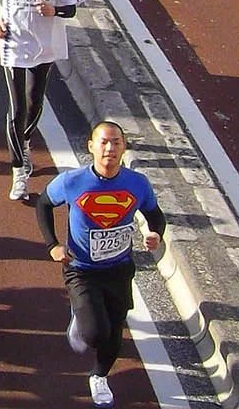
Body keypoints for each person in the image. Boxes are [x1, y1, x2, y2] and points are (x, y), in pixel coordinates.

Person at [38, 121, 166, 408]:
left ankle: (99, 375)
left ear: (124, 147)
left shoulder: (137, 183)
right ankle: (81, 318)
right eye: (104, 142)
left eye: (116, 142)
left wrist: (156, 233)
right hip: (81, 269)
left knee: (114, 330)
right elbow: (44, 204)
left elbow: (155, 215)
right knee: (96, 332)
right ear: (91, 146)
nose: (110, 148)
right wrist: (53, 245)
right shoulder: (72, 182)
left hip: (119, 268)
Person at [0, 0, 82, 202]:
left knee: (34, 100)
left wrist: (55, 11)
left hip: (45, 46)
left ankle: (26, 140)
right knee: (16, 109)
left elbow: (72, 8)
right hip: (13, 45)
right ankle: (19, 170)